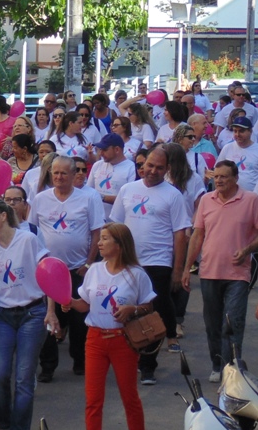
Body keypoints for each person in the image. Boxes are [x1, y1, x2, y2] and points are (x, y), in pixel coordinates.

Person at [64, 223, 153, 430]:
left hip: (123, 340)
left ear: (119, 244)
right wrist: (69, 302)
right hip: (95, 339)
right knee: (93, 400)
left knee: (129, 396)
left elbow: (149, 306)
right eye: (100, 239)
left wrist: (132, 310)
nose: (99, 243)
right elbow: (85, 305)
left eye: (105, 239)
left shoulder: (136, 274)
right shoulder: (93, 271)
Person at [0, 199, 59, 430]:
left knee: (24, 376)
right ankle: (3, 426)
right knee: (0, 373)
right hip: (2, 314)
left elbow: (48, 273)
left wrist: (50, 311)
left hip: (32, 313)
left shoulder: (27, 240)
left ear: (3, 216)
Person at [110, 145, 192, 385]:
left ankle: (148, 366)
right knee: (125, 311)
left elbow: (180, 234)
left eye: (159, 167)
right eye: (149, 166)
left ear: (167, 169)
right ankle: (129, 357)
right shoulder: (127, 190)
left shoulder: (173, 195)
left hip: (158, 262)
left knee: (152, 314)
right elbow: (116, 226)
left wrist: (177, 270)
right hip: (127, 262)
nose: (153, 171)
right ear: (142, 165)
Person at [28, 155, 104, 380]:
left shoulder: (87, 199)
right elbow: (32, 229)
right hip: (47, 271)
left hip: (77, 269)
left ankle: (80, 361)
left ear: (73, 175)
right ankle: (48, 366)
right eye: (55, 173)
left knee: (79, 320)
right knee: (49, 318)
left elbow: (96, 231)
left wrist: (89, 263)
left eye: (63, 173)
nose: (59, 177)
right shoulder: (40, 199)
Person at [183, 160, 258, 382]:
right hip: (208, 272)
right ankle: (218, 365)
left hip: (238, 274)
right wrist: (187, 268)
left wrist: (246, 250)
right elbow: (197, 235)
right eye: (216, 176)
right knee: (213, 324)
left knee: (232, 323)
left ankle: (231, 369)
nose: (219, 180)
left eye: (224, 176)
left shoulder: (251, 200)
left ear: (236, 178)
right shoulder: (207, 200)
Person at [87, 133, 137, 220]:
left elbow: (128, 199)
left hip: (118, 224)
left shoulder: (131, 168)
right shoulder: (97, 165)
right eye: (100, 149)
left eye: (105, 150)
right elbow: (88, 190)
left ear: (117, 149)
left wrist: (101, 197)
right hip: (96, 220)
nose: (101, 153)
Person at [217, 116, 258, 192]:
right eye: (235, 131)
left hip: (252, 198)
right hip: (229, 195)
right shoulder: (227, 148)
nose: (237, 134)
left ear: (250, 131)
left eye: (241, 131)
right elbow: (218, 170)